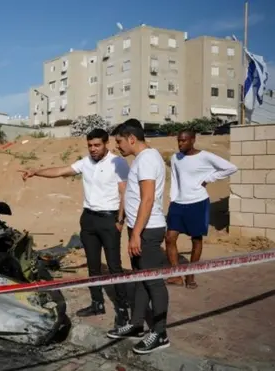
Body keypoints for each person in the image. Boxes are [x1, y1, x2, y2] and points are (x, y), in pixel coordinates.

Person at [20, 128, 132, 327]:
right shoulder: (86, 162)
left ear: (106, 144)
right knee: (93, 264)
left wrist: (120, 220)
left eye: (97, 145)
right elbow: (61, 171)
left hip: (109, 219)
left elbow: (125, 193)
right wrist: (36, 171)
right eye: (90, 145)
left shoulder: (118, 163)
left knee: (114, 266)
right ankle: (97, 303)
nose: (93, 149)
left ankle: (123, 310)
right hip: (88, 219)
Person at [106, 119, 170, 355]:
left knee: (153, 282)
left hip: (147, 231)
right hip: (140, 229)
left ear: (132, 139)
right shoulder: (144, 159)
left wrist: (136, 235)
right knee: (141, 279)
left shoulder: (147, 159)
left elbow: (148, 199)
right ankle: (136, 325)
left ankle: (161, 333)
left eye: (120, 141)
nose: (118, 146)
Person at [165, 129, 237, 289]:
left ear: (192, 140)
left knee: (196, 240)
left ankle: (190, 275)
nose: (180, 143)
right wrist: (172, 199)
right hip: (178, 203)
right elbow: (176, 181)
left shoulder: (205, 156)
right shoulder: (175, 158)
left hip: (198, 202)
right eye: (179, 140)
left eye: (184, 140)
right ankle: (176, 275)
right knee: (170, 238)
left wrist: (208, 178)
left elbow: (231, 168)